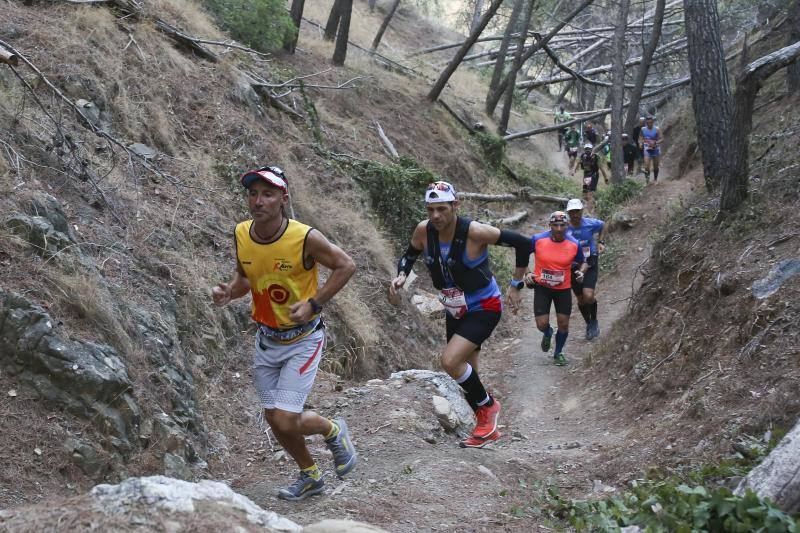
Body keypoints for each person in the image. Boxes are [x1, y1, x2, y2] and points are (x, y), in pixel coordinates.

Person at [212, 165, 358, 501]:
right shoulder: (241, 234)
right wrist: (228, 293)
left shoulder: (305, 237)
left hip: (303, 339)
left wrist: (315, 303)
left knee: (286, 418)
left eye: (267, 194)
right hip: (266, 340)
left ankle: (332, 430)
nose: (258, 201)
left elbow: (346, 265)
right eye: (253, 193)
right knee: (275, 420)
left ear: (283, 199)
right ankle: (310, 475)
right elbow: (246, 279)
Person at [388, 181, 531, 448]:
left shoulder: (475, 232)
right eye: (430, 210)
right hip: (455, 308)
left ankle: (489, 408)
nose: (435, 216)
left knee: (450, 361)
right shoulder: (424, 230)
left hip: (484, 306)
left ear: (456, 205)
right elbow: (409, 256)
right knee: (468, 374)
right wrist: (401, 275)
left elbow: (523, 243)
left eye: (441, 209)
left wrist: (516, 285)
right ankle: (486, 427)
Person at [524, 211, 588, 366]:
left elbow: (583, 262)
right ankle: (547, 332)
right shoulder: (538, 239)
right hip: (542, 287)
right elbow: (523, 255)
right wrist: (528, 273)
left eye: (562, 225)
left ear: (568, 225)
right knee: (541, 324)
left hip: (563, 288)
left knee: (564, 323)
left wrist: (581, 272)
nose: (559, 229)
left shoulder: (574, 244)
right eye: (555, 225)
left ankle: (558, 352)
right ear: (550, 226)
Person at [565, 198, 606, 340]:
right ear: (568, 213)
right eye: (572, 212)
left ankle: (594, 320)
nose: (575, 214)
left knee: (588, 295)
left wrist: (601, 241)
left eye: (577, 211)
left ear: (582, 211)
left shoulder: (590, 223)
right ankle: (588, 324)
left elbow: (603, 225)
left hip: (590, 262)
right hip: (572, 266)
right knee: (581, 299)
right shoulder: (564, 228)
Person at [571, 143, 600, 212]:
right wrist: (573, 170)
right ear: (584, 150)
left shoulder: (595, 157)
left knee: (590, 193)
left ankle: (589, 211)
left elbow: (601, 168)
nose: (587, 151)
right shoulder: (582, 156)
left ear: (591, 149)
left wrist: (605, 178)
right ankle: (595, 203)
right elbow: (577, 163)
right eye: (586, 149)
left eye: (589, 149)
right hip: (586, 176)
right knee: (584, 195)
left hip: (594, 175)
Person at [638, 115, 663, 183]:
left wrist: (656, 142)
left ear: (653, 122)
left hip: (655, 149)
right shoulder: (643, 129)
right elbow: (640, 137)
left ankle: (655, 179)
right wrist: (640, 143)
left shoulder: (657, 129)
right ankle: (647, 181)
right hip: (647, 149)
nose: (649, 124)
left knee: (655, 166)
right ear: (646, 123)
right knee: (646, 166)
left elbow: (662, 139)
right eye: (648, 123)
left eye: (651, 122)